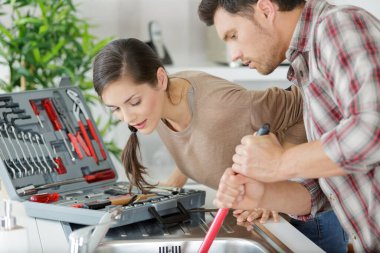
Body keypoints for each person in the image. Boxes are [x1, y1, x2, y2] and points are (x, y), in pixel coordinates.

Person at [92, 38, 347, 253]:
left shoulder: (223, 106)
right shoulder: (158, 107)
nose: (128, 118)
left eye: (134, 102)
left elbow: (299, 106)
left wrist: (276, 184)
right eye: (115, 109)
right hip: (267, 221)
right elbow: (193, 141)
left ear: (160, 80)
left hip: (308, 223)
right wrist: (174, 184)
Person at [198, 0, 380, 252]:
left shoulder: (337, 25)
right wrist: (262, 193)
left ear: (265, 9)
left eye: (233, 35)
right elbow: (326, 190)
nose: (234, 55)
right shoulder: (306, 64)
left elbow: (372, 131)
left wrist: (280, 162)